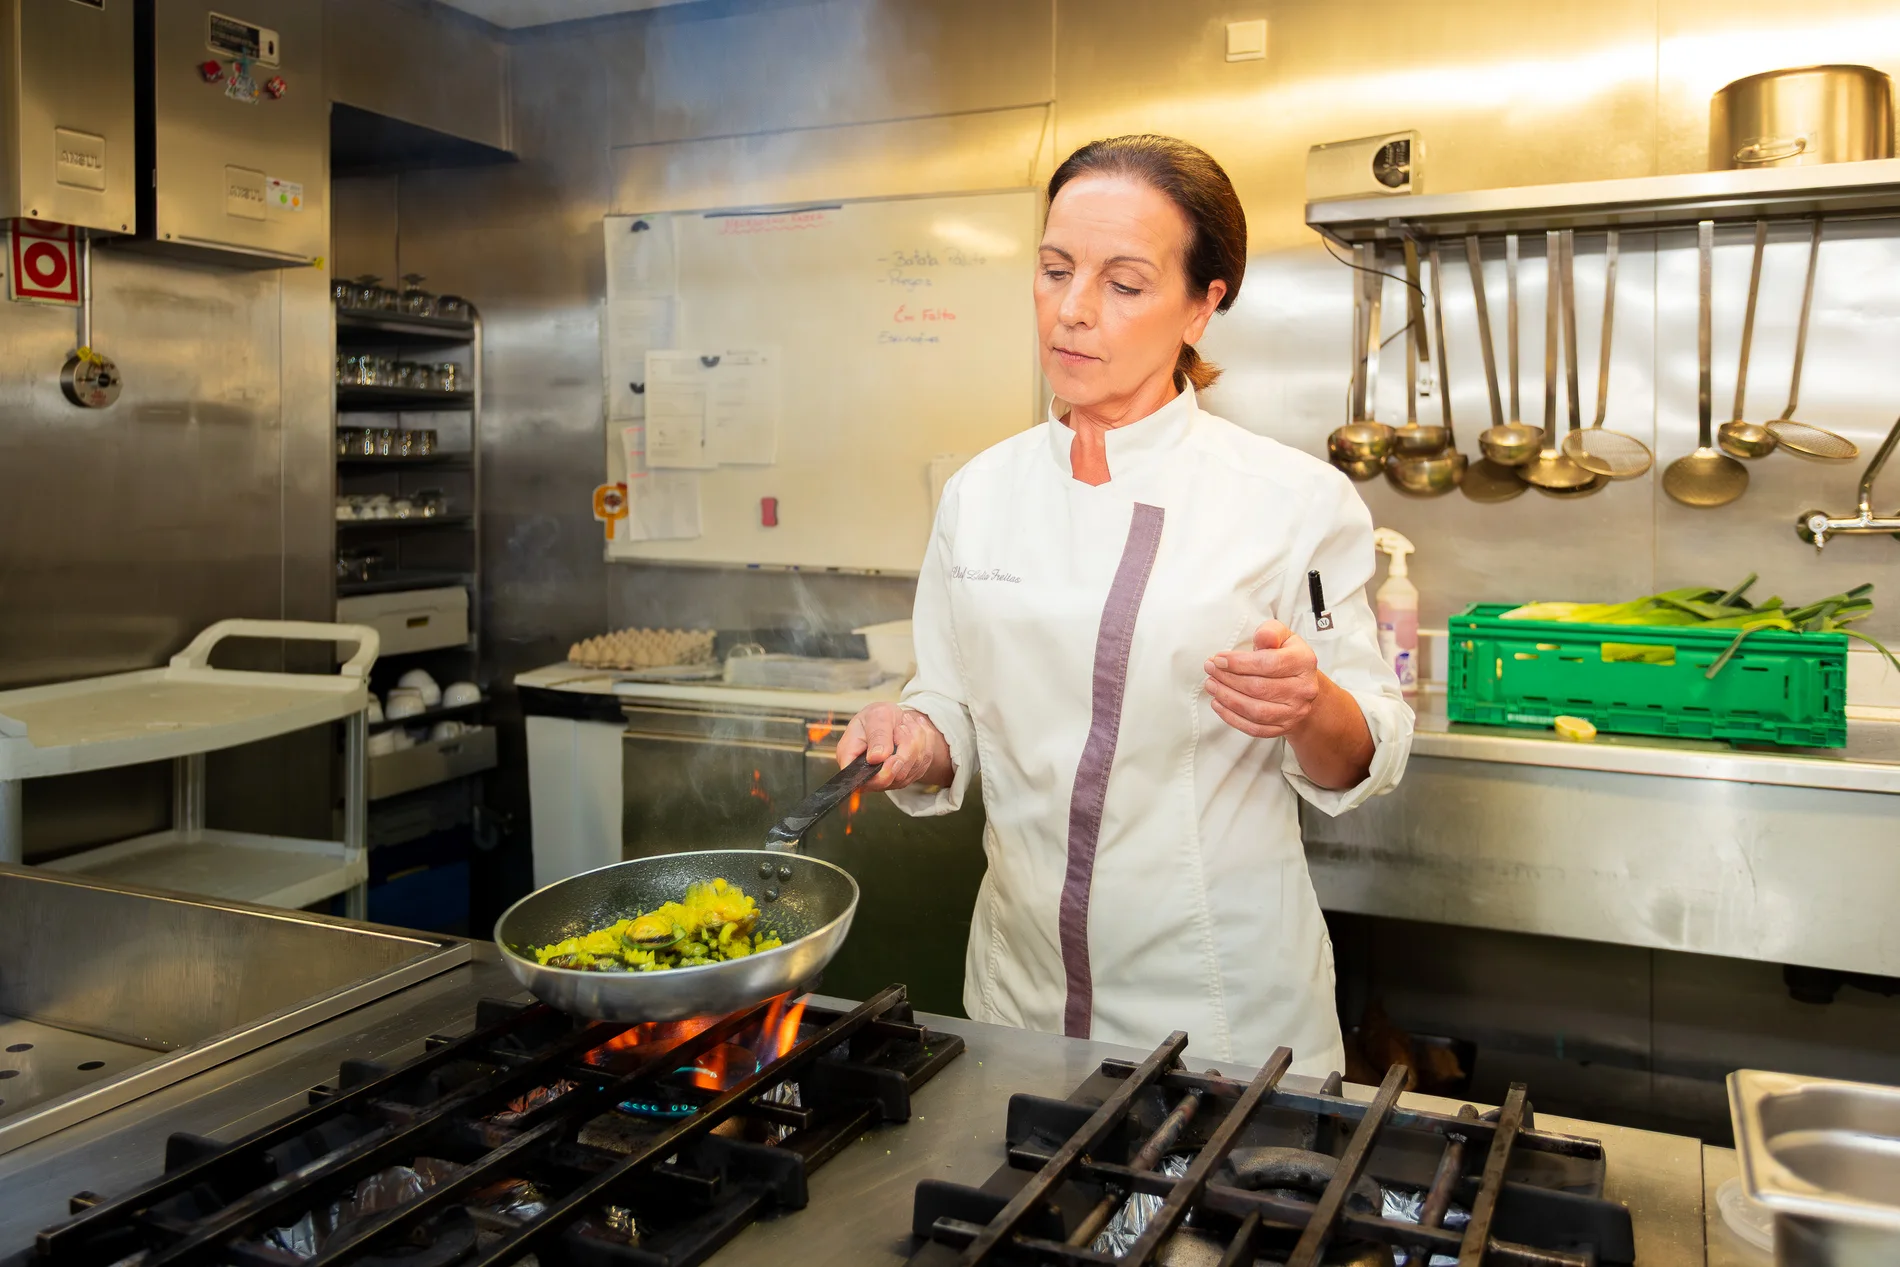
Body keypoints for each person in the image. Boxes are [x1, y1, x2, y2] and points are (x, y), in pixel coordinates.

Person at [835, 134, 1413, 1075]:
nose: (1072, 309)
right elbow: (951, 700)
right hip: (1015, 1007)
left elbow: (1367, 749)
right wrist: (916, 736)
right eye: (1055, 269)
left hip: (1223, 1022)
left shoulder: (1288, 501)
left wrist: (1310, 706)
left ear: (1202, 305)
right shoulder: (980, 496)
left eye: (1125, 283)